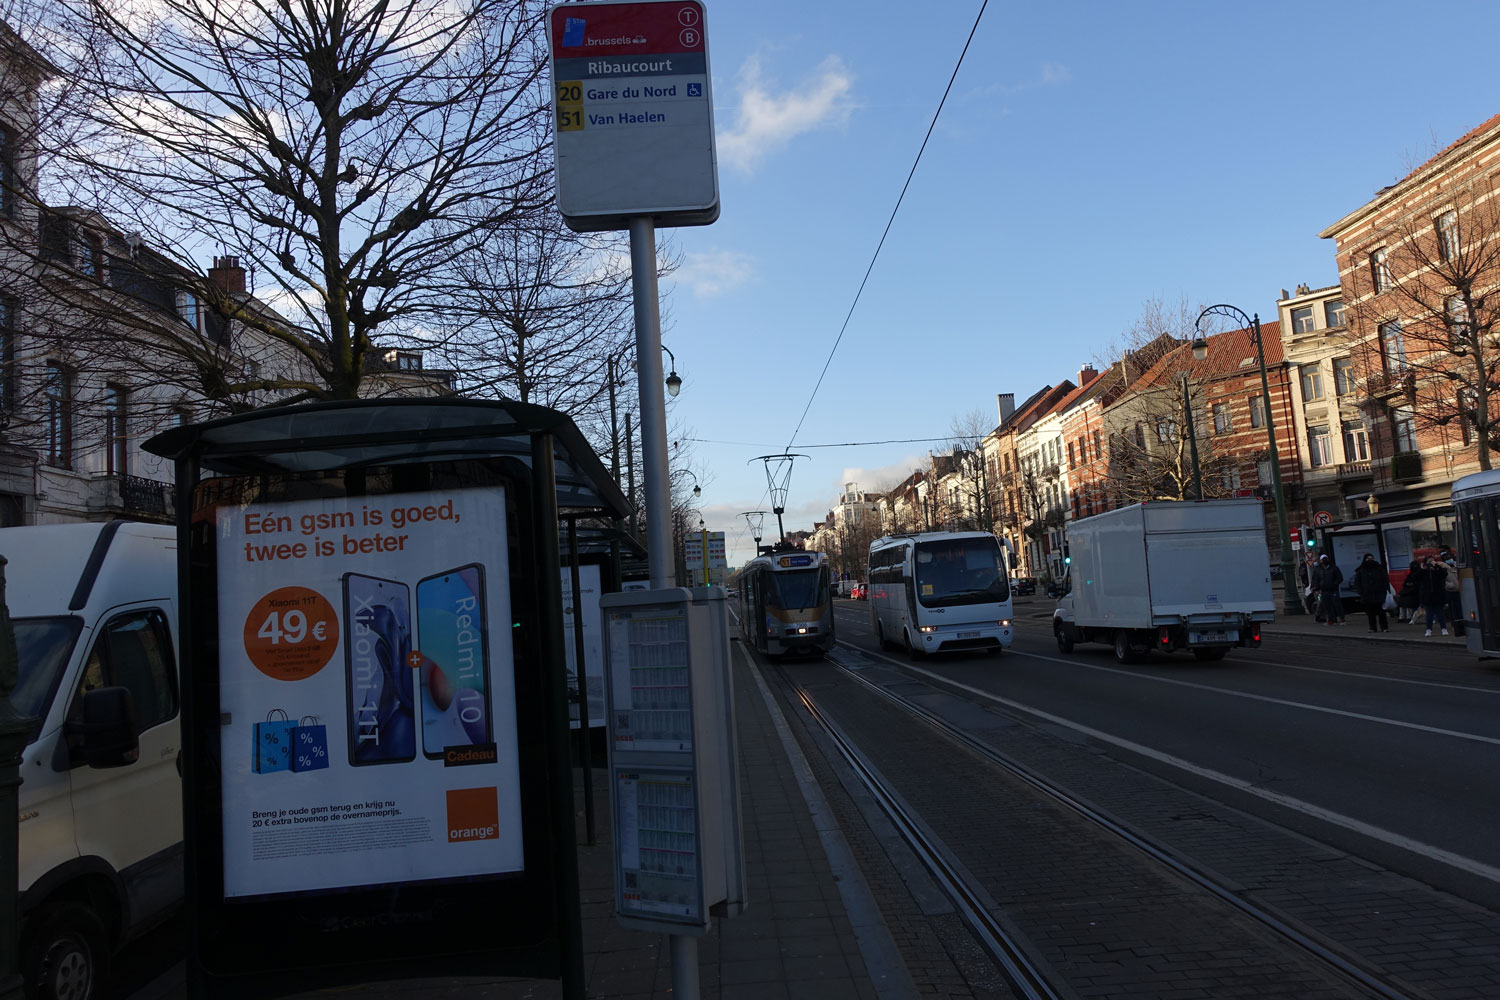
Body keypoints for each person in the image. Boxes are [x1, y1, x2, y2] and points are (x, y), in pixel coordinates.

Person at [1352, 553, 1390, 632]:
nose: (1370, 560)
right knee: (1370, 613)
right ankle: (1372, 627)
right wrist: (1361, 592)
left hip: (1379, 594)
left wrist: (1383, 590)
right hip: (1367, 595)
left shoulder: (1379, 569)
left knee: (1381, 612)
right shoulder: (1361, 571)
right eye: (1368, 559)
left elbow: (1385, 580)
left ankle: (1384, 627)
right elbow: (1357, 583)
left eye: (1371, 558)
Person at [1418, 554, 1450, 636]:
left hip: (1438, 595)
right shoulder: (1424, 571)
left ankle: (1444, 628)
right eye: (1429, 561)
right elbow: (1416, 578)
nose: (1431, 562)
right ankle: (1428, 629)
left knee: (1440, 613)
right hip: (1427, 596)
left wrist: (1436, 567)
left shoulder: (1438, 569)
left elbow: (1444, 575)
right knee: (1429, 614)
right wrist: (1422, 569)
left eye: (1432, 560)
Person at [1313, 553, 1345, 625]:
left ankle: (1341, 618)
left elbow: (1339, 578)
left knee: (1336, 604)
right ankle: (1331, 620)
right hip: (1324, 590)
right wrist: (1317, 588)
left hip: (1333, 590)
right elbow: (1317, 580)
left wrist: (1334, 584)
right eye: (1322, 559)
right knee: (1328, 606)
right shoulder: (1319, 570)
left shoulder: (1334, 568)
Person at [1440, 546, 1465, 636]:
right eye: (1447, 558)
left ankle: (1461, 624)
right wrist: (1450, 585)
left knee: (1460, 608)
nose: (1449, 559)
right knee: (1454, 610)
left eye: (1450, 557)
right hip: (1451, 591)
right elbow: (1442, 581)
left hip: (1459, 590)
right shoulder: (1444, 567)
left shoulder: (1456, 565)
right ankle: (1456, 625)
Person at [1396, 559, 1422, 624]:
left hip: (1415, 592)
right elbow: (1405, 582)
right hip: (1408, 591)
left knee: (1407, 602)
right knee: (1401, 601)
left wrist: (1412, 584)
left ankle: (1408, 616)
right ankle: (1402, 616)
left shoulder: (1419, 573)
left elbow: (1419, 583)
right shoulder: (1411, 573)